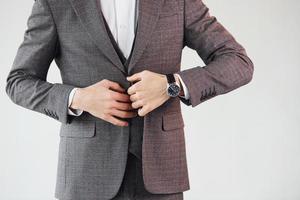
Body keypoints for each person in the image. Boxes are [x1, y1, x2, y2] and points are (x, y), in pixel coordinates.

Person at [5, 0, 254, 199]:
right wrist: (78, 98)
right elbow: (18, 81)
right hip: (86, 176)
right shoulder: (55, 3)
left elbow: (238, 62)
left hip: (160, 173)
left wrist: (172, 85)